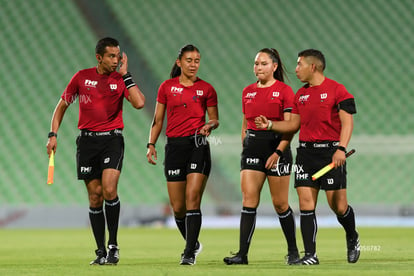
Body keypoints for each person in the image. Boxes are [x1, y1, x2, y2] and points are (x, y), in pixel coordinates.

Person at [255, 49, 360, 265]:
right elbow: (294, 124)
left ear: (313, 66)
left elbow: (347, 122)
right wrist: (271, 125)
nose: (295, 70)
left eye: (299, 64)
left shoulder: (338, 90)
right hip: (305, 154)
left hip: (331, 153)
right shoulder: (300, 95)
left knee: (339, 207)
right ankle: (310, 255)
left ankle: (352, 236)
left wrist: (341, 148)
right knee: (305, 204)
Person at [46, 37, 145, 265]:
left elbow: (139, 103)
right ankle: (100, 251)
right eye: (111, 56)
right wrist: (53, 134)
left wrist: (126, 75)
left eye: (118, 56)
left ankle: (113, 246)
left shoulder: (120, 80)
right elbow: (62, 106)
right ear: (98, 57)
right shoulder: (81, 77)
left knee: (109, 189)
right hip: (87, 142)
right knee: (94, 196)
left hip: (112, 140)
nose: (116, 60)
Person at [223, 48, 299, 265]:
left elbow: (290, 127)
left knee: (280, 204)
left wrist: (278, 152)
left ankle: (293, 252)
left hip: (277, 148)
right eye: (256, 63)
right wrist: (245, 144)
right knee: (248, 201)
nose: (258, 67)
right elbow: (245, 122)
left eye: (263, 63)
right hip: (252, 150)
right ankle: (242, 255)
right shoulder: (247, 91)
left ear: (274, 66)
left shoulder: (284, 91)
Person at [146, 44, 219, 265]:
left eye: (197, 60)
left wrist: (210, 125)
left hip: (198, 146)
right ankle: (193, 243)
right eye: (189, 60)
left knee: (193, 198)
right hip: (174, 147)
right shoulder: (166, 87)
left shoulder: (207, 89)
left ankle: (188, 253)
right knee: (178, 208)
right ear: (179, 62)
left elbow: (215, 118)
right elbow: (158, 120)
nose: (193, 64)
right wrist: (151, 144)